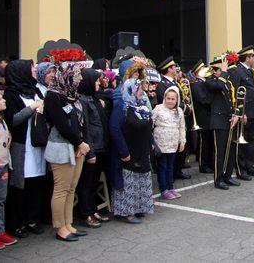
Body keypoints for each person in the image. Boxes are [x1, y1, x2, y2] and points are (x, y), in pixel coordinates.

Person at [44, 63, 91, 242]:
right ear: (67, 75)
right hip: (61, 147)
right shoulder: (53, 96)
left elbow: (79, 122)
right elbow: (62, 125)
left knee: (71, 187)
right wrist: (79, 143)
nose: (80, 78)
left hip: (77, 147)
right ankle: (60, 227)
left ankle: (69, 223)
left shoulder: (71, 95)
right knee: (61, 189)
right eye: (77, 75)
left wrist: (80, 144)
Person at [3, 60, 47, 238]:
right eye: (31, 69)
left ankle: (32, 219)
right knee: (20, 186)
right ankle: (17, 223)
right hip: (22, 146)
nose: (34, 71)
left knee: (36, 183)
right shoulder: (11, 93)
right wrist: (32, 107)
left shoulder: (35, 89)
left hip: (37, 144)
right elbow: (13, 120)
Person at [110, 71, 154, 224]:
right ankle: (126, 212)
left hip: (142, 150)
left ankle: (139, 207)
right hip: (128, 151)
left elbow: (148, 126)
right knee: (129, 182)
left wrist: (151, 142)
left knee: (141, 180)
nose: (143, 93)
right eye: (141, 91)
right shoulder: (122, 106)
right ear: (132, 90)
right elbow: (114, 129)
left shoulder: (140, 106)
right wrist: (124, 151)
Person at [76, 68, 110, 228]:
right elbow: (86, 128)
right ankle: (86, 213)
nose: (98, 83)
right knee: (87, 182)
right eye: (96, 81)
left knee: (94, 181)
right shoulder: (82, 100)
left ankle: (93, 209)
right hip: (92, 147)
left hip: (100, 145)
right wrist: (90, 152)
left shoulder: (94, 98)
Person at [204, 57, 240, 190]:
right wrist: (224, 73)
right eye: (222, 69)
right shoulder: (210, 82)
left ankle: (228, 176)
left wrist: (236, 114)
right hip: (218, 121)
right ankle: (218, 179)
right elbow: (218, 86)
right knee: (220, 152)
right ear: (215, 70)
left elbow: (233, 100)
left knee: (229, 150)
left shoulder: (226, 82)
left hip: (229, 119)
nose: (226, 71)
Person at [0, 89, 17, 251]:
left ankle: (0, 231)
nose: (4, 100)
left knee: (1, 200)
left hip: (4, 164)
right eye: (0, 99)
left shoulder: (1, 120)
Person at [229, 46, 254, 179]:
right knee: (241, 143)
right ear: (247, 58)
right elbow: (235, 93)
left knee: (250, 141)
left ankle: (250, 167)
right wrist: (240, 112)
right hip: (244, 113)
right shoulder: (237, 71)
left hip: (253, 111)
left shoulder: (251, 72)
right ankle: (241, 170)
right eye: (253, 56)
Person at [156, 57, 191, 181]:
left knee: (181, 146)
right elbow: (166, 102)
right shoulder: (162, 85)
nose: (176, 69)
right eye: (173, 67)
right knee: (172, 149)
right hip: (169, 121)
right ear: (169, 69)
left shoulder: (174, 83)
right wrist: (185, 107)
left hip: (179, 119)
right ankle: (173, 173)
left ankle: (178, 170)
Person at [152, 86, 186, 200]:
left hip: (173, 143)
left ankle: (171, 187)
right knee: (162, 166)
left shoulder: (179, 111)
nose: (170, 101)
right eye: (168, 98)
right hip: (160, 142)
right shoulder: (158, 108)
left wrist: (182, 141)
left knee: (171, 166)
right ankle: (164, 189)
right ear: (164, 98)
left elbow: (182, 127)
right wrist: (151, 141)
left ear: (177, 100)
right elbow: (150, 123)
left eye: (173, 99)